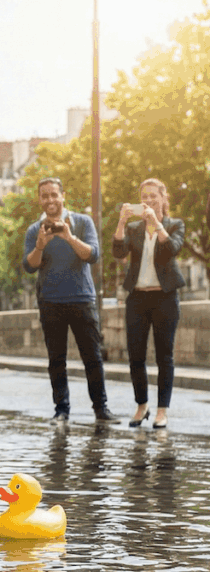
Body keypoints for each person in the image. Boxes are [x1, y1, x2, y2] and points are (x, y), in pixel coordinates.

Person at [23, 177, 119, 424]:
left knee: (93, 357)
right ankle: (61, 410)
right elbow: (30, 266)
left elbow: (93, 255)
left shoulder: (83, 222)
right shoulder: (35, 231)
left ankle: (101, 409)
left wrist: (68, 237)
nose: (50, 200)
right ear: (40, 199)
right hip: (50, 301)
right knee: (57, 360)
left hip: (82, 299)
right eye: (45, 196)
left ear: (63, 195)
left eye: (54, 194)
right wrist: (41, 246)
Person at [112, 178, 186, 430]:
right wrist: (121, 221)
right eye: (144, 196)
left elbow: (172, 249)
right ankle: (142, 406)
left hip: (165, 297)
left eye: (154, 195)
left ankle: (162, 411)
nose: (149, 200)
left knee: (165, 357)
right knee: (136, 356)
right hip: (137, 298)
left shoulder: (175, 224)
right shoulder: (133, 228)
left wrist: (156, 224)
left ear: (164, 197)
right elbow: (118, 252)